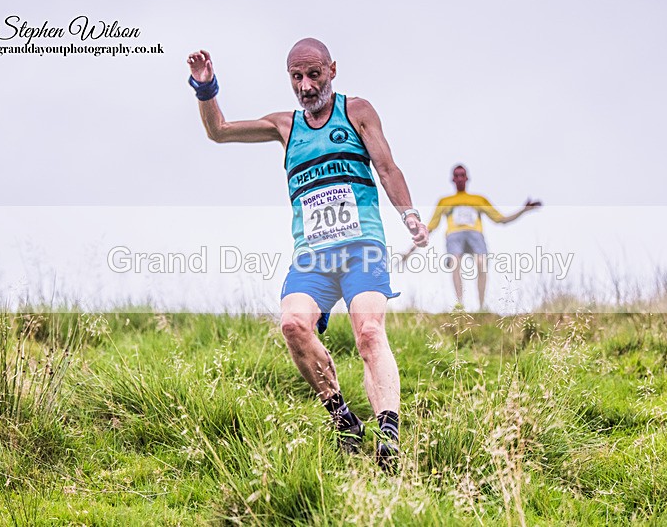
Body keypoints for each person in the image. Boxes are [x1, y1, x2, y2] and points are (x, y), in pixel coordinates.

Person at [187, 38, 428, 472]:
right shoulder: (285, 126)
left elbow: (388, 168)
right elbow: (218, 131)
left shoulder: (357, 112)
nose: (305, 85)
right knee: (293, 324)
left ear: (332, 70)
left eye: (313, 74)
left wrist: (409, 214)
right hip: (313, 256)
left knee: (370, 333)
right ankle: (344, 421)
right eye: (297, 77)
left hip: (362, 246)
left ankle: (388, 437)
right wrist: (205, 87)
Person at [402, 164, 540, 310]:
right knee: (455, 263)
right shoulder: (445, 201)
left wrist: (523, 211)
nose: (460, 178)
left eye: (462, 175)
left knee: (481, 263)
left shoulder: (479, 199)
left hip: (475, 235)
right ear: (453, 179)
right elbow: (429, 228)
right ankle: (460, 305)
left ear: (467, 178)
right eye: (457, 175)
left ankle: (481, 307)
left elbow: (501, 219)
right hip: (454, 235)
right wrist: (410, 251)